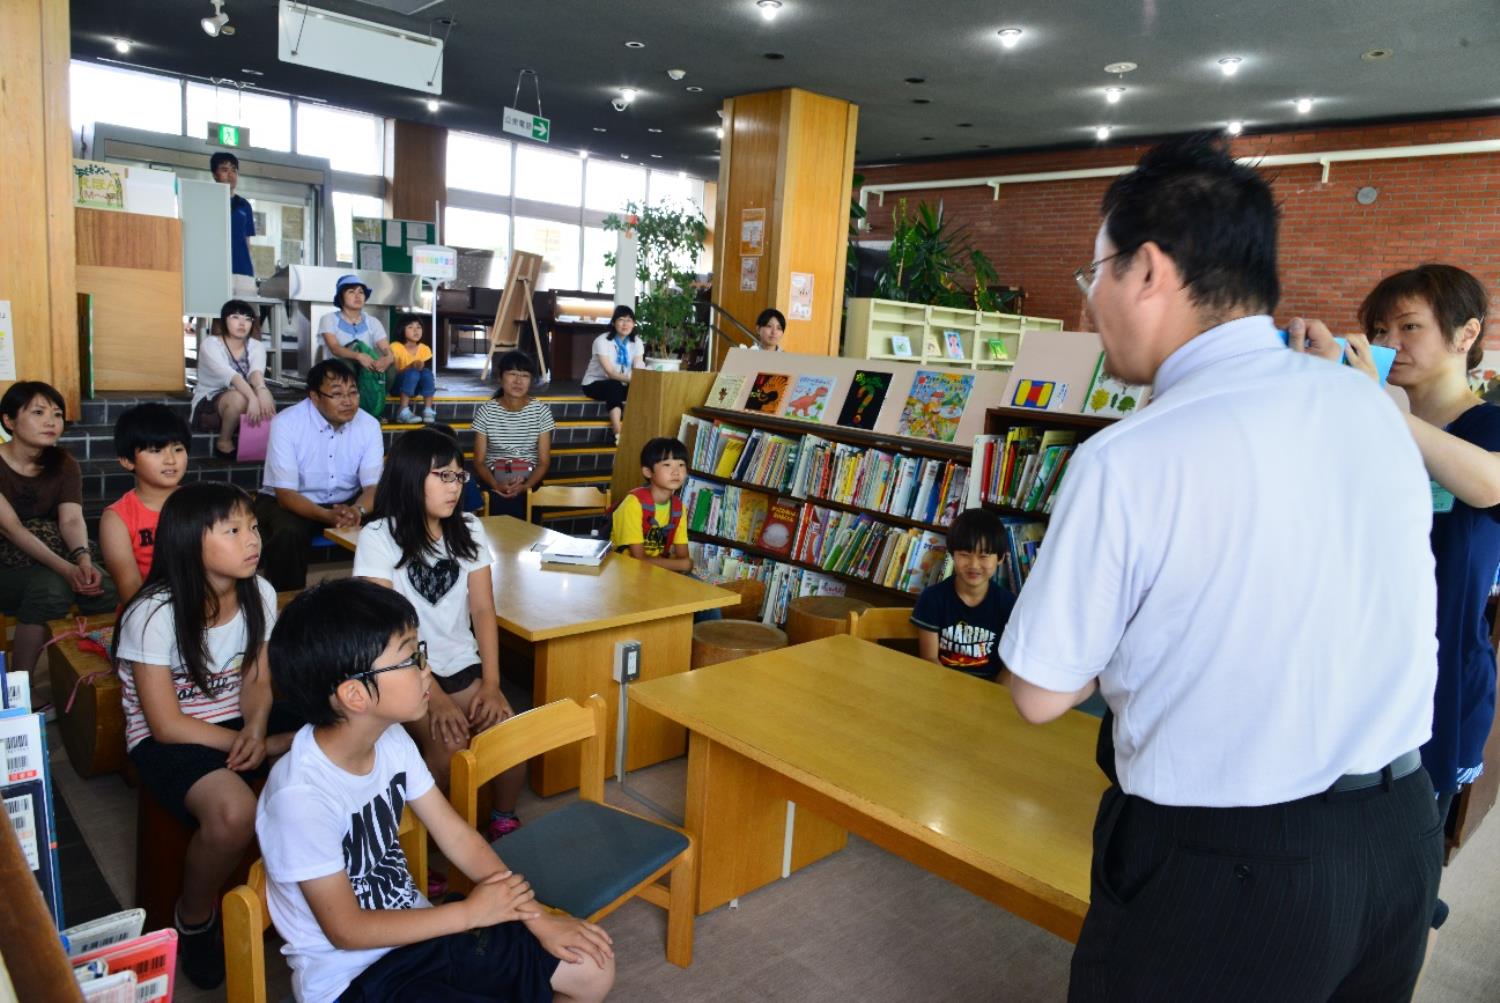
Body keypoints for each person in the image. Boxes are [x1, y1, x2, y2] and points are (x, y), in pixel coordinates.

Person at [998, 134, 1443, 1001]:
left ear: (1150, 271)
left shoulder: (1131, 456)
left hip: (1229, 864)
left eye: (1096, 276)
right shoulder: (1370, 408)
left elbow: (1039, 690)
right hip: (1399, 832)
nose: (1089, 304)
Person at [258, 579, 615, 1003]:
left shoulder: (391, 741)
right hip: (354, 979)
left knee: (592, 967)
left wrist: (538, 921)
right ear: (355, 695)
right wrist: (467, 913)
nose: (427, 670)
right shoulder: (299, 797)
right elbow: (347, 929)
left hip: (429, 935)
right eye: (410, 657)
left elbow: (457, 837)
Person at [1291, 264, 1500, 943]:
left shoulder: (1487, 424)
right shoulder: (1370, 416)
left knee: (1405, 855)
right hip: (1351, 664)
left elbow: (1486, 485)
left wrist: (1381, 410)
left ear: (1468, 333)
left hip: (1440, 678)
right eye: (1381, 329)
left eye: (1411, 326)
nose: (1392, 341)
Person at [113, 482, 299, 989]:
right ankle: (194, 918)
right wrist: (248, 746)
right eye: (234, 530)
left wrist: (258, 729)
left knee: (345, 723)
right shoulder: (152, 614)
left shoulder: (258, 590)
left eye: (254, 526)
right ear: (190, 541)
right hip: (169, 739)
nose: (252, 539)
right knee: (233, 811)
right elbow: (166, 723)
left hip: (239, 720)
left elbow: (257, 679)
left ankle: (308, 887)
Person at [356, 429, 527, 889]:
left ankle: (502, 820)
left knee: (510, 737)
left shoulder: (468, 528)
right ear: (412, 478)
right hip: (401, 673)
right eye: (443, 476)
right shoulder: (379, 535)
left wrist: (491, 684)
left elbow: (483, 610)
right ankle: (423, 851)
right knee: (448, 751)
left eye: (459, 475)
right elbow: (384, 631)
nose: (456, 486)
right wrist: (431, 697)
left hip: (462, 666)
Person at [0, 381, 117, 678]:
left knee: (102, 585)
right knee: (52, 589)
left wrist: (84, 561)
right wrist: (68, 570)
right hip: (6, 563)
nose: (51, 421)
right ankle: (20, 689)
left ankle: (103, 677)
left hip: (53, 552)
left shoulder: (64, 463)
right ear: (9, 420)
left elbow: (72, 520)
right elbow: (12, 529)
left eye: (57, 414)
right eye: (38, 412)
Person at [254, 360, 383, 591]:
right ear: (314, 397)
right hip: (290, 500)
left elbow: (373, 487)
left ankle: (379, 594)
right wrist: (327, 516)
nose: (348, 401)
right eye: (337, 394)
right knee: (288, 532)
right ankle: (287, 603)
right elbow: (285, 494)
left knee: (394, 518)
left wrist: (357, 510)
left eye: (353, 393)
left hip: (346, 502)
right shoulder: (287, 423)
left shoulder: (369, 425)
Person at [611, 437, 721, 623]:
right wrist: (681, 564)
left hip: (660, 573)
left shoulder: (678, 508)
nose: (676, 471)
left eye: (681, 465)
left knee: (709, 602)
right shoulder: (634, 504)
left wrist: (681, 564)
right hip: (626, 575)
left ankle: (703, 649)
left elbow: (682, 555)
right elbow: (638, 560)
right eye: (667, 465)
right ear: (648, 471)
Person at [100, 403, 191, 605]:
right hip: (146, 617)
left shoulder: (199, 504)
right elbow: (130, 588)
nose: (170, 460)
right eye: (156, 450)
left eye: (178, 449)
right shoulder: (117, 518)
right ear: (127, 460)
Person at [910, 508, 1014, 682]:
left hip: (989, 691)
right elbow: (929, 659)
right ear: (952, 554)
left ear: (1001, 558)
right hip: (941, 684)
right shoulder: (933, 599)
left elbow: (1009, 670)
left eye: (983, 556)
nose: (974, 565)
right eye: (965, 555)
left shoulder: (1009, 605)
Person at [472, 351, 555, 519]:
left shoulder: (541, 411)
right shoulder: (486, 411)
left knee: (524, 503)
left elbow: (544, 462)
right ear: (500, 378)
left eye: (525, 375)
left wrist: (526, 486)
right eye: (512, 374)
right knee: (499, 505)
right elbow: (479, 462)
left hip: (529, 480)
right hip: (494, 479)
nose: (518, 381)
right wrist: (496, 484)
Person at [193, 299, 276, 460]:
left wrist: (262, 390)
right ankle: (224, 442)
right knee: (239, 398)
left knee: (266, 398)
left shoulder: (256, 345)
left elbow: (256, 372)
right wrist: (252, 397)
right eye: (235, 317)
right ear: (224, 320)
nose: (242, 323)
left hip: (243, 395)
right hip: (210, 402)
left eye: (247, 319)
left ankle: (258, 445)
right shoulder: (210, 344)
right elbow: (230, 376)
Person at [318, 274, 394, 419]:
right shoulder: (328, 319)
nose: (357, 296)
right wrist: (358, 356)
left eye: (361, 292)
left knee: (390, 369)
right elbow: (334, 348)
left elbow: (386, 348)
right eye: (351, 292)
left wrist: (388, 358)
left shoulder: (373, 322)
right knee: (347, 367)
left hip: (366, 367)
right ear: (341, 297)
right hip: (336, 367)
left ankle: (373, 404)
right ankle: (353, 409)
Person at [581, 305, 644, 441]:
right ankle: (617, 430)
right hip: (594, 384)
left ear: (633, 324)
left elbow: (638, 364)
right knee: (614, 385)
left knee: (642, 390)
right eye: (621, 320)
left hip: (622, 383)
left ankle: (641, 430)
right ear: (613, 322)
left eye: (629, 320)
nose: (625, 324)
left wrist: (641, 378)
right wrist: (632, 381)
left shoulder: (637, 342)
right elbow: (610, 372)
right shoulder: (602, 341)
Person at [211, 151, 258, 297]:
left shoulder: (244, 205)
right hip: (216, 270)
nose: (230, 175)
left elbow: (247, 242)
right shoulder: (208, 201)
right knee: (218, 315)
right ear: (214, 174)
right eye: (224, 170)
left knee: (250, 315)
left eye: (234, 170)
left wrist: (252, 269)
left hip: (243, 270)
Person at [391, 315, 437, 425]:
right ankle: (402, 410)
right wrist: (411, 366)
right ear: (402, 329)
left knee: (426, 373)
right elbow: (394, 373)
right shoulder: (395, 347)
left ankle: (428, 410)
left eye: (419, 327)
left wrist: (419, 367)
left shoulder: (424, 349)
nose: (416, 330)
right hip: (397, 387)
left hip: (414, 390)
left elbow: (422, 371)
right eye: (411, 327)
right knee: (412, 373)